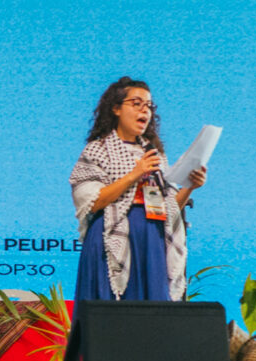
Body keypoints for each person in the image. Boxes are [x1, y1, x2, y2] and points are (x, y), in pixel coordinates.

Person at [70, 77, 205, 301]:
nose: (145, 110)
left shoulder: (154, 154)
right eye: (136, 103)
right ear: (116, 108)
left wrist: (190, 186)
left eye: (149, 106)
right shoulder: (97, 150)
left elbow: (170, 208)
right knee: (111, 309)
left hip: (151, 238)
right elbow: (92, 202)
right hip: (112, 237)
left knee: (151, 312)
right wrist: (135, 174)